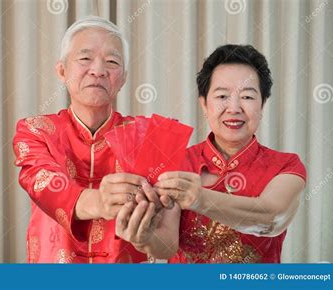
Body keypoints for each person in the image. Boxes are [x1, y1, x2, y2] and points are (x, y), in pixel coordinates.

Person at [116, 44, 307, 263]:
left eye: (247, 97)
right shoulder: (179, 160)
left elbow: (272, 217)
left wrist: (198, 198)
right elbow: (167, 246)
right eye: (222, 96)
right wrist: (144, 238)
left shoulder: (286, 165)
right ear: (204, 104)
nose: (234, 108)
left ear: (262, 105)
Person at [13, 16, 175, 263]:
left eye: (111, 61)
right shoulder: (36, 130)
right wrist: (101, 201)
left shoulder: (148, 137)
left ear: (122, 79)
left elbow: (167, 244)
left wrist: (147, 236)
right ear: (62, 70)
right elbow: (43, 184)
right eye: (85, 58)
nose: (98, 70)